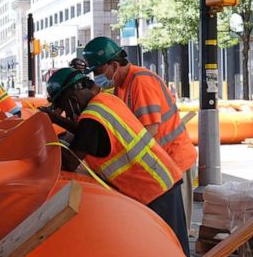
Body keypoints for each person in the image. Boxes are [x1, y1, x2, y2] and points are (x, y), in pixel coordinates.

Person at [44, 67, 189, 256]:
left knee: (170, 254)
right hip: (158, 182)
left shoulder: (92, 119)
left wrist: (46, 146)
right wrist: (56, 119)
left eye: (63, 106)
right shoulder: (106, 101)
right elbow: (83, 131)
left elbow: (70, 161)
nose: (67, 113)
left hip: (153, 189)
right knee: (166, 248)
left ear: (71, 99)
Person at [83, 36, 197, 179]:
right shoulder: (121, 86)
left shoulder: (141, 81)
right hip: (161, 163)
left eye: (98, 72)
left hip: (174, 161)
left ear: (114, 65)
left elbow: (150, 130)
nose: (97, 77)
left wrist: (119, 162)